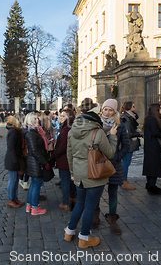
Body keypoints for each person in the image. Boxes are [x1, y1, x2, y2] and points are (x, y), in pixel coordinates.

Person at [64, 98, 117, 248]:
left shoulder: (72, 130)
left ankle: (69, 231)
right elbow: (111, 153)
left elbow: (70, 155)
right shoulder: (98, 132)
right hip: (94, 174)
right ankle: (84, 237)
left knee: (80, 203)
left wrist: (73, 173)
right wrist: (112, 136)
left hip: (79, 173)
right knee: (89, 206)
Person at [92, 99, 129, 235]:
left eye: (110, 110)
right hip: (99, 164)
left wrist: (117, 157)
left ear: (115, 112)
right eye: (105, 109)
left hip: (114, 165)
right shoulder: (96, 124)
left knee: (113, 193)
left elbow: (126, 145)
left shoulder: (119, 125)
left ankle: (112, 218)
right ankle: (95, 216)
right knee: (97, 191)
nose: (107, 113)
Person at [23, 112, 49, 215]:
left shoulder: (32, 131)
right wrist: (44, 162)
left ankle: (29, 205)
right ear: (29, 120)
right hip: (36, 162)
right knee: (36, 184)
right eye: (34, 119)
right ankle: (34, 207)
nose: (37, 120)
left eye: (37, 118)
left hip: (33, 161)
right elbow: (34, 150)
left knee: (33, 184)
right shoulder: (31, 133)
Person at [143, 103, 161, 195]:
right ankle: (151, 185)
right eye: (160, 108)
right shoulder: (153, 119)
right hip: (153, 146)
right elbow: (155, 132)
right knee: (154, 166)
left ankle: (150, 184)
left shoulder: (149, 119)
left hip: (149, 145)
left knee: (150, 166)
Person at [54, 108, 76, 210]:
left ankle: (65, 203)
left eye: (63, 116)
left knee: (65, 181)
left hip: (64, 159)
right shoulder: (69, 127)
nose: (60, 117)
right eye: (60, 115)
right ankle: (72, 197)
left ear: (69, 117)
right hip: (68, 158)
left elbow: (63, 146)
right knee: (69, 180)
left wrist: (55, 153)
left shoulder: (66, 128)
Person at [120, 101, 141, 190]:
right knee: (126, 163)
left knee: (125, 163)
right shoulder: (127, 118)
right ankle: (124, 181)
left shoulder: (129, 117)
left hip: (127, 143)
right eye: (133, 106)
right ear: (129, 107)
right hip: (127, 143)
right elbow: (128, 133)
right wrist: (138, 134)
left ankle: (122, 180)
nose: (135, 107)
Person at [4, 115, 25, 208]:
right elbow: (11, 147)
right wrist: (15, 160)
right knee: (12, 180)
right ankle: (10, 199)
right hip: (13, 160)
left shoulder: (15, 131)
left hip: (15, 158)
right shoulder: (14, 132)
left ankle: (14, 197)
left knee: (16, 180)